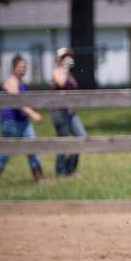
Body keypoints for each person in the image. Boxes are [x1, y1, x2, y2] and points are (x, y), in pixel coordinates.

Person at [0, 54, 45, 183]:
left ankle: (39, 178)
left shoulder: (19, 82)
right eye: (20, 67)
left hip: (23, 122)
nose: (23, 69)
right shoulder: (11, 82)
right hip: (11, 123)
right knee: (5, 152)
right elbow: (18, 103)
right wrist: (33, 114)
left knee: (32, 147)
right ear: (13, 67)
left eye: (24, 67)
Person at [51, 47, 87, 177]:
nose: (69, 58)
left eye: (69, 56)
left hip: (71, 113)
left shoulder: (69, 75)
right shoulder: (56, 72)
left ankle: (70, 168)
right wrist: (65, 67)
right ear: (59, 59)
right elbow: (60, 83)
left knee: (82, 137)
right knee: (63, 142)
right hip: (59, 113)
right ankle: (60, 171)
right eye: (65, 56)